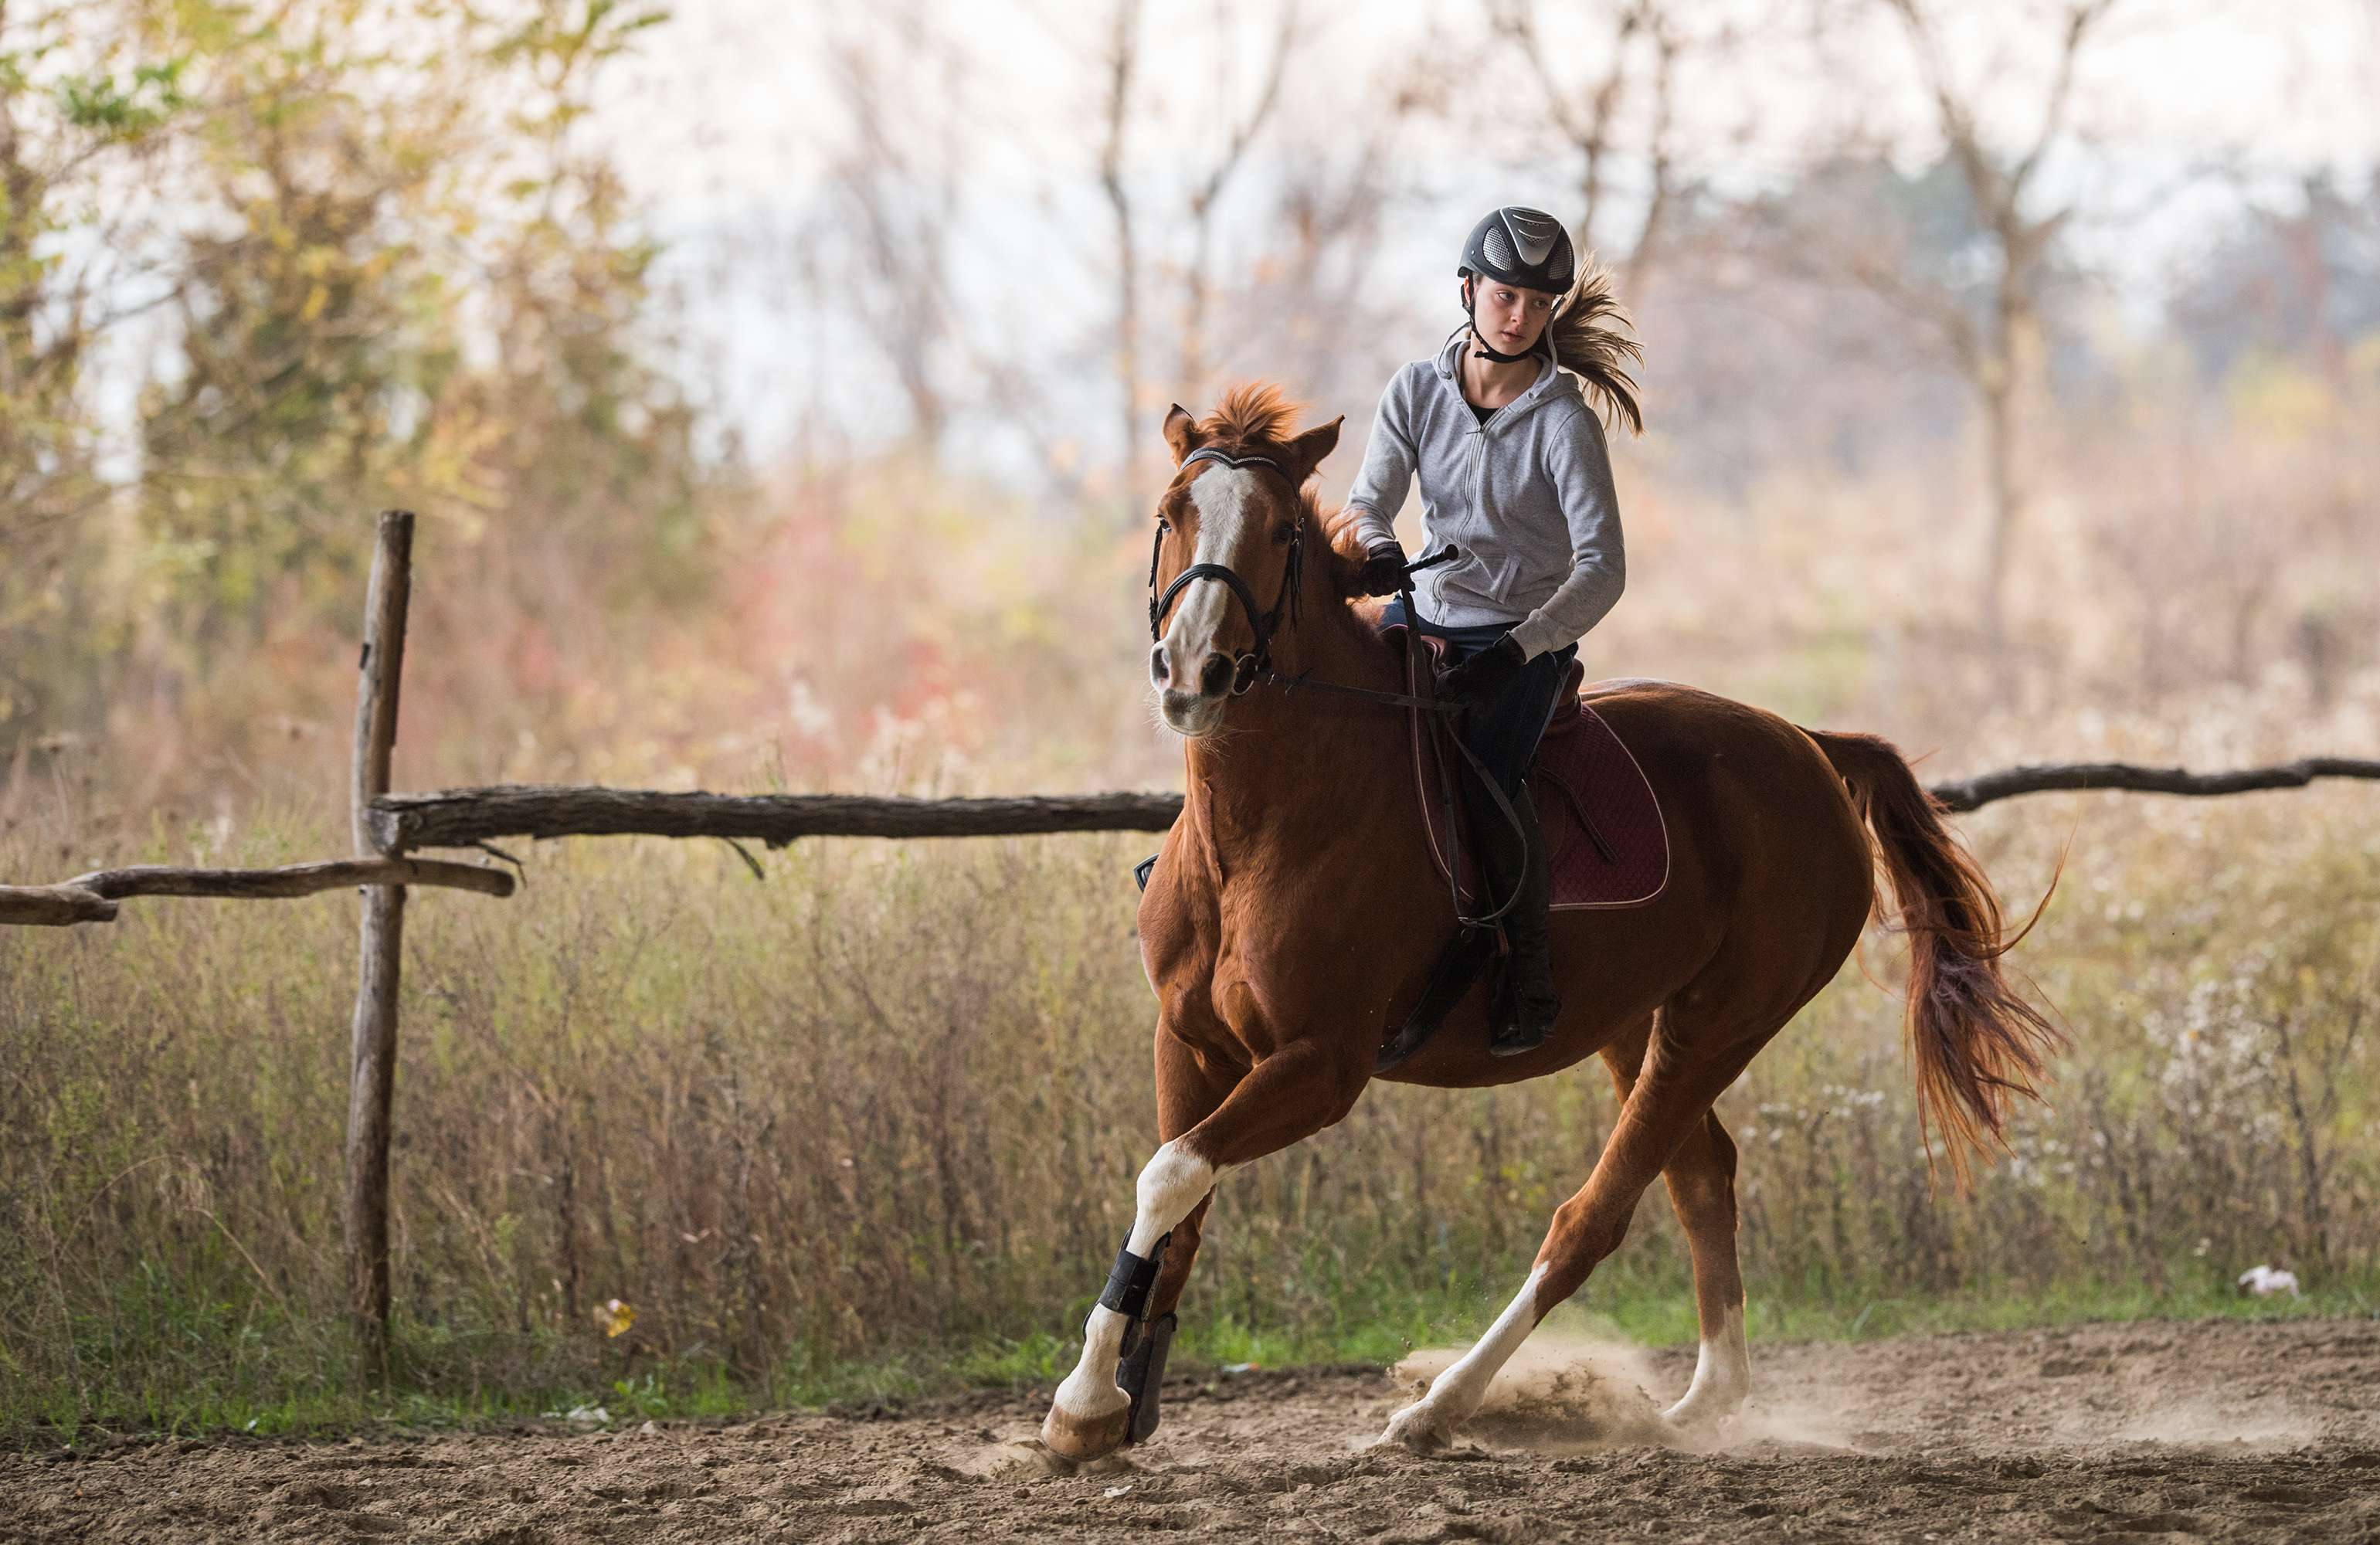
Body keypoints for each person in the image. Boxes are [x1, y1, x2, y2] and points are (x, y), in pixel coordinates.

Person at [1343, 205, 1640, 1058]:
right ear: (1469, 289)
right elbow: (1368, 501)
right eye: (1506, 295)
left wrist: (1520, 648)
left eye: (1538, 304)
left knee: (1484, 785)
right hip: (1420, 610)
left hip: (1520, 641)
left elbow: (1603, 569)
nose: (1519, 316)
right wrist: (1379, 548)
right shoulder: (1413, 390)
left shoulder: (1565, 423)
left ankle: (1526, 974)